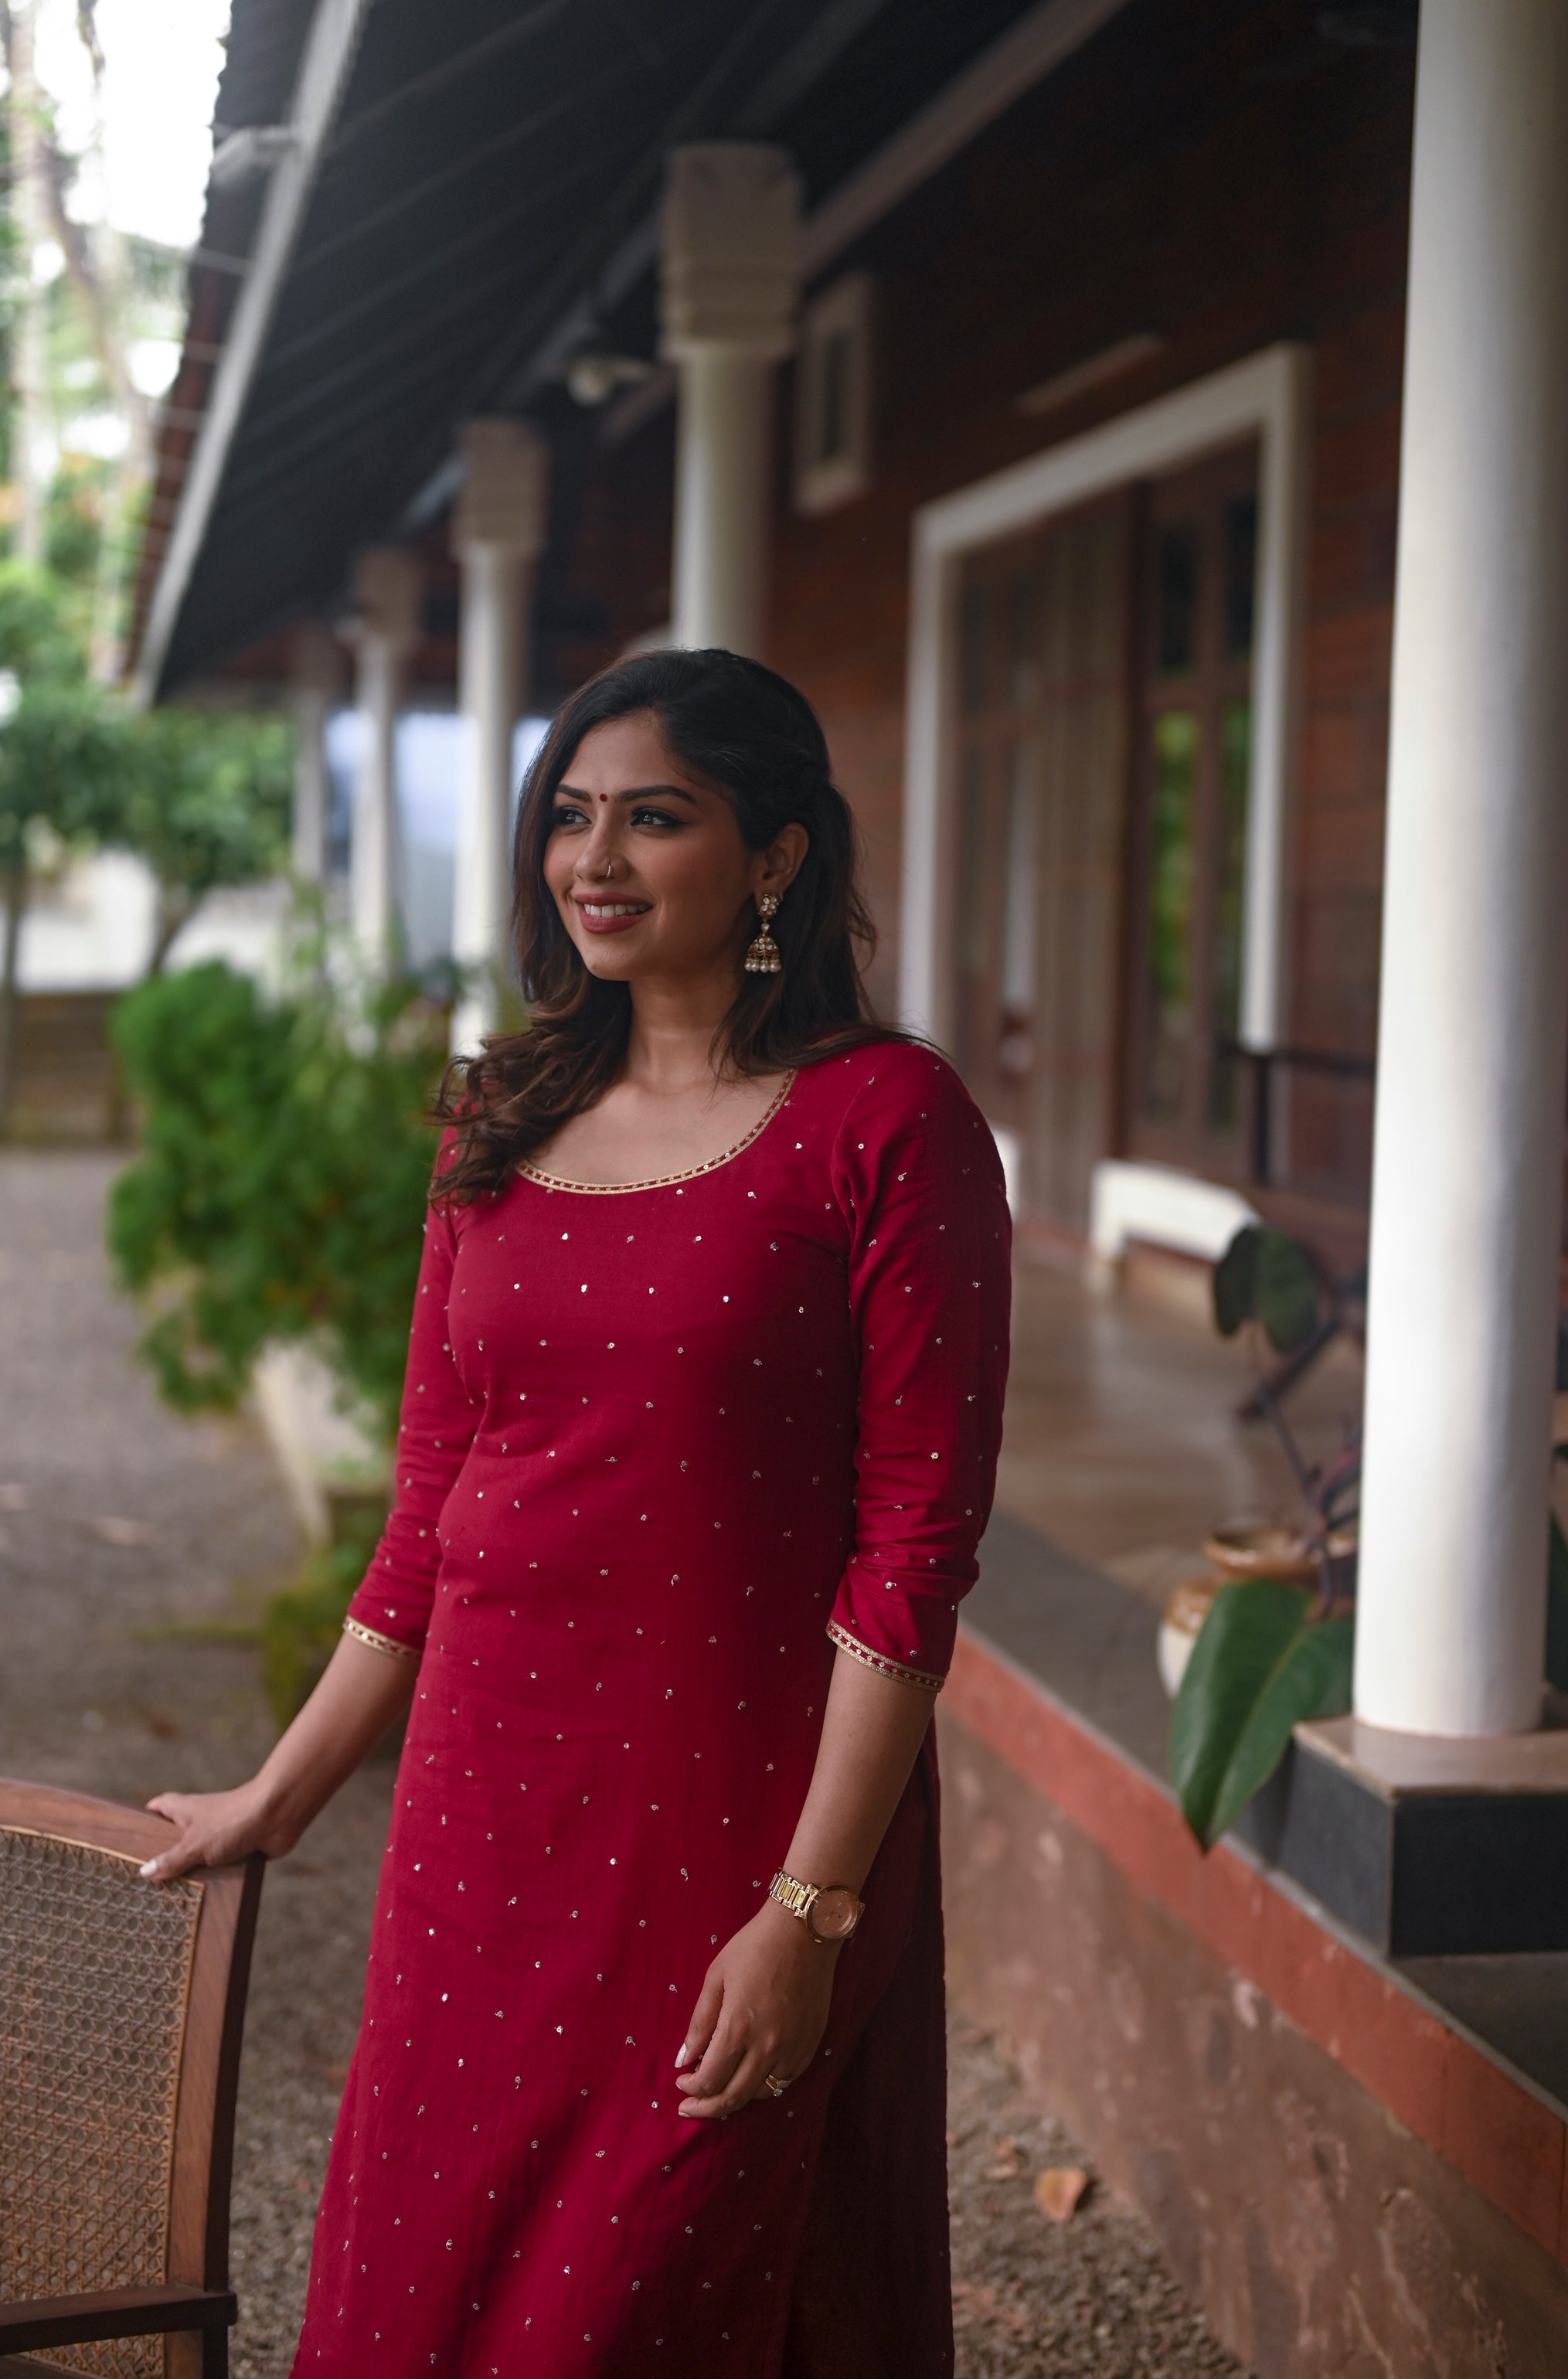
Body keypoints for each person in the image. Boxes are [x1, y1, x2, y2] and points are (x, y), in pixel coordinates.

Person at [141, 648, 1011, 2377]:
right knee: (434, 2272)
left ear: (772, 857)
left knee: (649, 2292)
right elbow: (429, 1515)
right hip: (485, 1817)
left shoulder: (882, 1124)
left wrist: (808, 1912)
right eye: (570, 816)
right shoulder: (499, 1111)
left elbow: (912, 1556)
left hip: (732, 1822)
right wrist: (283, 1792)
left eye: (654, 818)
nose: (593, 859)